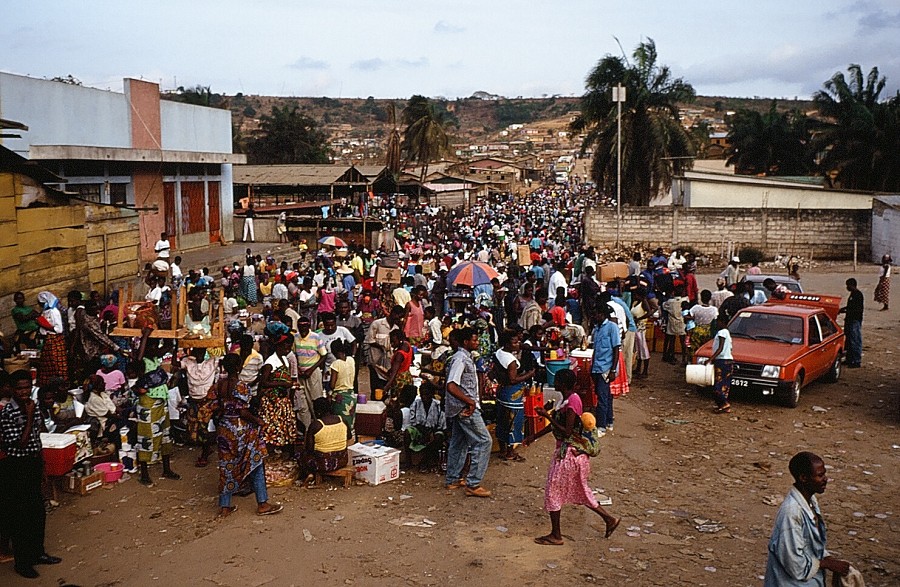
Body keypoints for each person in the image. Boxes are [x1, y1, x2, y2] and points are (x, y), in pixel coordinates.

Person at [526, 369, 619, 546]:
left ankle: (556, 534)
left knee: (553, 491)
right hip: (571, 454)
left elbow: (566, 430)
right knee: (581, 491)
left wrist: (547, 417)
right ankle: (609, 519)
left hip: (569, 454)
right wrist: (534, 436)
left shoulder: (572, 401)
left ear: (562, 383)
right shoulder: (566, 400)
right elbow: (558, 427)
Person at [0, 370, 63, 578]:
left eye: (27, 387)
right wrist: (28, 417)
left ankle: (38, 552)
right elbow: (20, 442)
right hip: (17, 466)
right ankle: (22, 562)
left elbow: (37, 439)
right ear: (12, 389)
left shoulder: (33, 407)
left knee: (37, 511)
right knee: (21, 516)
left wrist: (43, 467)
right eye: (20, 388)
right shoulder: (8, 412)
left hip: (34, 462)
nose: (24, 391)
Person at [763, 452, 852, 586]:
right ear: (804, 478)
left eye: (824, 474)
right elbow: (795, 565)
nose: (825, 479)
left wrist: (828, 559)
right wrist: (826, 563)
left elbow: (810, 545)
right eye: (820, 475)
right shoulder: (791, 513)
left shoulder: (810, 502)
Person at [213, 353, 283, 518]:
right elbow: (242, 411)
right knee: (256, 462)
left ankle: (225, 506)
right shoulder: (241, 386)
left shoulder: (219, 385)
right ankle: (262, 503)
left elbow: (215, 406)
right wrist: (258, 420)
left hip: (224, 430)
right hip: (241, 430)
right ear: (239, 367)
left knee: (227, 467)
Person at [444, 326, 492, 497]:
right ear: (466, 342)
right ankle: (473, 483)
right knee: (484, 441)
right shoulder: (460, 360)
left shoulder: (464, 357)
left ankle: (453, 478)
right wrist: (470, 402)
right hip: (465, 408)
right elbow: (451, 385)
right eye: (474, 340)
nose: (477, 342)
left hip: (460, 407)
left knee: (460, 442)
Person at [133, 328, 180, 486]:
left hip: (161, 401)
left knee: (165, 436)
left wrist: (173, 334)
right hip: (148, 402)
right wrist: (145, 337)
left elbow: (167, 347)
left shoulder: (154, 358)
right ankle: (144, 473)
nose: (156, 349)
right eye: (151, 346)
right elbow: (139, 357)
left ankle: (166, 468)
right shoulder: (142, 362)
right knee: (146, 438)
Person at [493, 330, 535, 462]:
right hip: (512, 394)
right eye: (515, 342)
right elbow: (512, 379)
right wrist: (529, 374)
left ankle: (502, 449)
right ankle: (510, 452)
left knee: (502, 420)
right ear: (507, 344)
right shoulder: (511, 360)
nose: (518, 344)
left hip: (502, 392)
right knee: (513, 422)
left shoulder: (499, 353)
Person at [258, 334, 299, 451]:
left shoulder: (285, 359)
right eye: (286, 346)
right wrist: (282, 384)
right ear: (278, 346)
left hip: (282, 400)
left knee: (283, 428)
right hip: (272, 402)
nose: (288, 349)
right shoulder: (270, 362)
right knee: (272, 429)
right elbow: (264, 383)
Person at [298, 397, 349, 484]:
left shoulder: (316, 425)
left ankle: (309, 473)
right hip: (342, 460)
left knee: (301, 456)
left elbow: (309, 449)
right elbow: (349, 437)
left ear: (318, 412)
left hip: (323, 464)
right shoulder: (342, 420)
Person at [591, 303, 620, 434]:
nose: (594, 316)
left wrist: (613, 370)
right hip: (596, 367)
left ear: (602, 314)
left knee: (602, 398)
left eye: (596, 314)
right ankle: (609, 421)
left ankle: (601, 426)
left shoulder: (611, 328)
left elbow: (616, 350)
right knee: (606, 396)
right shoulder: (596, 329)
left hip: (606, 368)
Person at [293, 316, 326, 430]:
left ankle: (319, 428)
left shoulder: (316, 337)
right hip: (300, 374)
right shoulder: (295, 337)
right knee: (302, 404)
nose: (302, 329)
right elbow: (294, 355)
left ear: (309, 326)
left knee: (316, 402)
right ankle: (307, 430)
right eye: (300, 326)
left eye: (305, 326)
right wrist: (297, 369)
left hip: (313, 373)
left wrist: (311, 369)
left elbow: (323, 355)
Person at [36, 292, 68, 386]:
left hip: (54, 340)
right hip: (48, 340)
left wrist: (42, 324)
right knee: (48, 365)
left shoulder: (54, 312)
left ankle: (60, 384)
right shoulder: (45, 311)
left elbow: (58, 329)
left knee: (56, 364)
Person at [328, 340, 356, 439]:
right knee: (350, 423)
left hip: (340, 398)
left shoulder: (336, 364)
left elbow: (332, 384)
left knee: (340, 423)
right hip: (351, 396)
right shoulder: (351, 360)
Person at [709, 315, 734, 414]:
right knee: (724, 385)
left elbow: (720, 348)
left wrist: (710, 359)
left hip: (722, 361)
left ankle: (724, 404)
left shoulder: (722, 332)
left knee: (718, 385)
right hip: (728, 361)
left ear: (722, 322)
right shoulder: (727, 333)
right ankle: (723, 406)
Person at [838, 278, 863, 369]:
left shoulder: (858, 295)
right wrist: (843, 309)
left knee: (855, 340)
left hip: (854, 320)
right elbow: (850, 307)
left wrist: (845, 311)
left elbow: (855, 309)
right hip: (849, 320)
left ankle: (856, 360)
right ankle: (849, 359)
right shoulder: (853, 294)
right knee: (848, 341)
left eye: (848, 285)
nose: (847, 287)